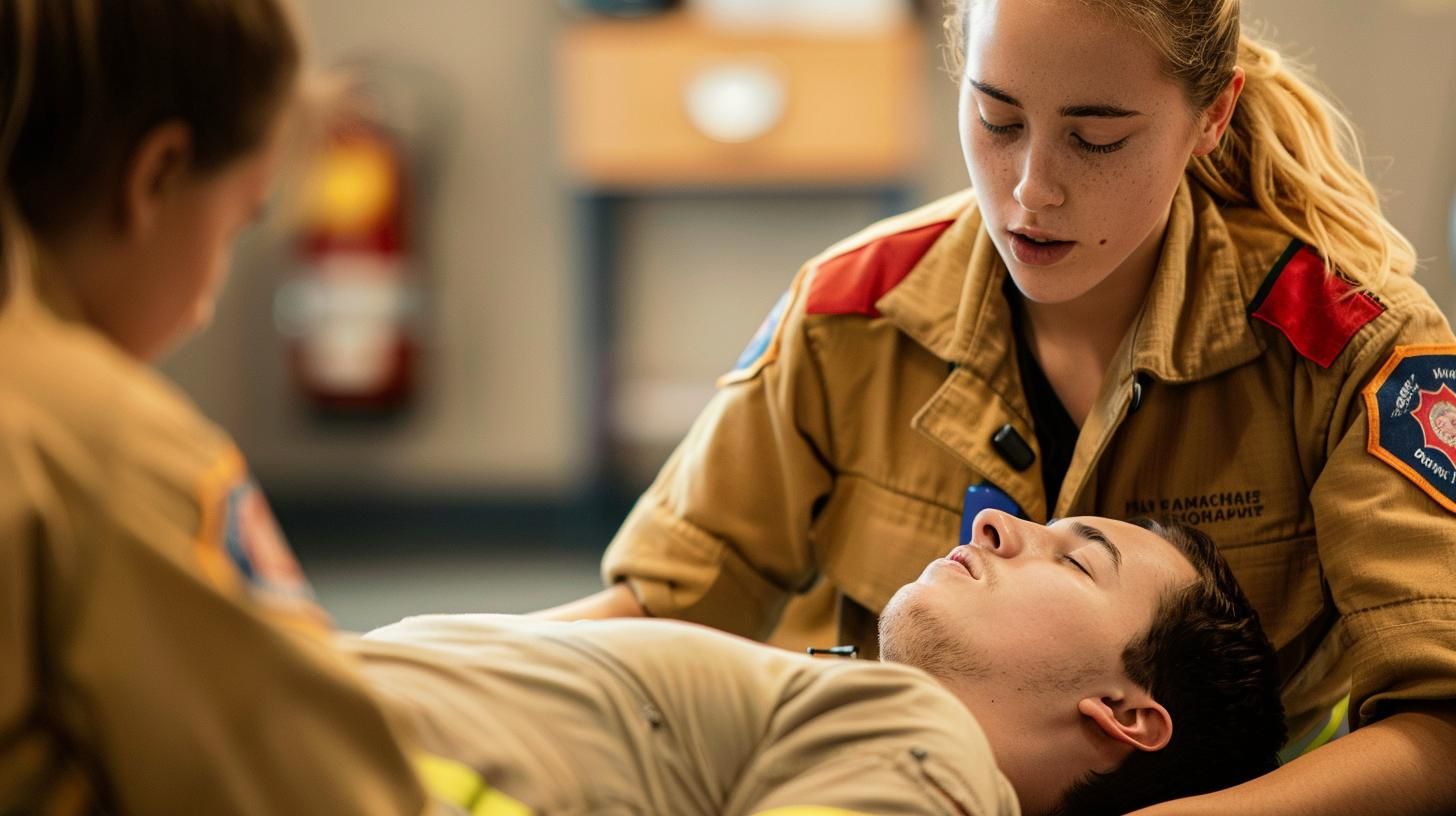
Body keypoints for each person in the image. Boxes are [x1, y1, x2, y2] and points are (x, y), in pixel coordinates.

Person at [547, 0, 1456, 812]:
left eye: (1097, 138)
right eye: (997, 117)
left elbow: (1438, 724)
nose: (1031, 189)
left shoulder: (1351, 348)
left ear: (1212, 115)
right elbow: (662, 608)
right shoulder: (850, 312)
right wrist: (429, 671)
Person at [0, 1, 436, 812]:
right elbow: (331, 793)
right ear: (157, 175)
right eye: (242, 220)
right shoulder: (104, 442)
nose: (204, 306)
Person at [350, 511, 1285, 815]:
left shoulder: (930, 752)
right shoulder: (827, 702)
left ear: (1125, 713)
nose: (997, 523)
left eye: (1077, 560)